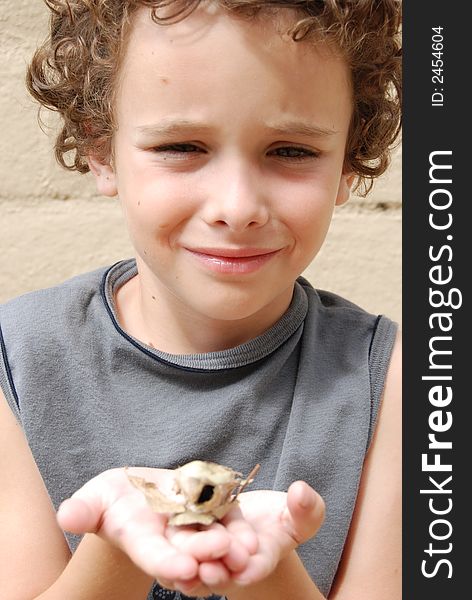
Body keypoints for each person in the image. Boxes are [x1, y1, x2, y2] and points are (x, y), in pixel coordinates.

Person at [0, 1, 402, 599]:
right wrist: (115, 547)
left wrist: (265, 570)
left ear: (349, 159)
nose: (236, 207)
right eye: (182, 146)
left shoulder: (401, 384)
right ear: (101, 146)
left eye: (291, 151)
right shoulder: (17, 362)